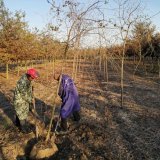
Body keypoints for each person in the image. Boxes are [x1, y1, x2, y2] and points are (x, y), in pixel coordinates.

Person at [13, 68, 39, 133]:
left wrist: (31, 90)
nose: (33, 79)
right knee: (22, 114)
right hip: (20, 100)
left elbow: (27, 89)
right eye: (32, 78)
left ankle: (17, 123)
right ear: (29, 76)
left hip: (23, 99)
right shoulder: (22, 82)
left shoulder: (27, 78)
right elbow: (24, 95)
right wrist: (31, 100)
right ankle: (23, 129)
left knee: (19, 112)